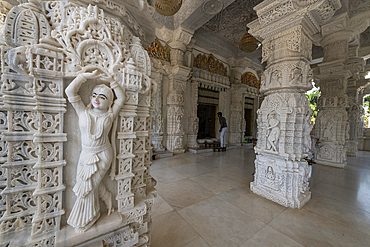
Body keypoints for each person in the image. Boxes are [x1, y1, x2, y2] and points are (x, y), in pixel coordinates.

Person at [65, 70, 125, 233]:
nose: (97, 99)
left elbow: (121, 98)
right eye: (94, 95)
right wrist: (84, 77)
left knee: (89, 188)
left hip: (103, 154)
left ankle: (87, 218)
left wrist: (112, 81)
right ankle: (106, 197)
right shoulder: (83, 111)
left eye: (102, 96)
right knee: (83, 185)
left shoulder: (110, 114)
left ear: (109, 102)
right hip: (86, 155)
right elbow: (70, 91)